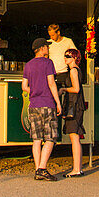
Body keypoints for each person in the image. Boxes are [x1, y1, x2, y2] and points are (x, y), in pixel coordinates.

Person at [22, 37, 62, 181]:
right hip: (47, 103)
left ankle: (37, 168)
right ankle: (42, 168)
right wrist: (58, 102)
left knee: (37, 139)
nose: (48, 48)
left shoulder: (28, 65)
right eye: (47, 46)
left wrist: (35, 91)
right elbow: (51, 83)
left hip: (33, 105)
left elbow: (24, 87)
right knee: (50, 138)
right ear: (42, 48)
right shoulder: (48, 63)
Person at [58, 47, 86, 177]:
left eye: (68, 56)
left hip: (74, 106)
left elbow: (76, 89)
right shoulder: (75, 71)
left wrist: (64, 90)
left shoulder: (74, 71)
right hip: (74, 105)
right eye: (65, 56)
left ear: (75, 58)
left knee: (74, 136)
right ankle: (77, 168)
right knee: (74, 136)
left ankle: (76, 169)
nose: (65, 58)